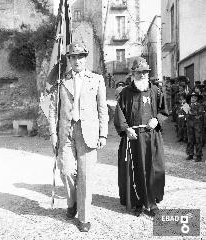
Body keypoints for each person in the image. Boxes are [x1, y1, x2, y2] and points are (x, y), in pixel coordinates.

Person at [48, 41, 108, 232]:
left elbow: (102, 109)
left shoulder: (96, 79)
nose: (77, 60)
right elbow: (52, 110)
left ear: (85, 58)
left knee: (85, 176)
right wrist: (53, 133)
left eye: (80, 57)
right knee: (65, 170)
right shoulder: (61, 80)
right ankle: (72, 201)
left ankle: (84, 217)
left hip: (88, 133)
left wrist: (103, 134)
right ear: (69, 60)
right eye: (73, 57)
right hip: (65, 132)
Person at [114, 57, 166, 217]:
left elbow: (164, 111)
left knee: (154, 168)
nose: (142, 75)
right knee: (134, 169)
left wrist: (156, 119)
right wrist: (126, 129)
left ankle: (151, 202)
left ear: (148, 73)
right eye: (139, 72)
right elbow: (119, 114)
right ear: (133, 73)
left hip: (152, 137)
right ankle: (136, 202)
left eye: (145, 72)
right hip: (133, 138)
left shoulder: (156, 91)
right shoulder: (125, 93)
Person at [186, 92, 205, 162]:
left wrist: (190, 112)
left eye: (194, 98)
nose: (192, 99)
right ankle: (190, 154)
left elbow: (200, 113)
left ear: (197, 99)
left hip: (197, 125)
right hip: (189, 124)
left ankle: (199, 155)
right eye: (192, 97)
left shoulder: (200, 105)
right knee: (190, 139)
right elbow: (182, 113)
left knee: (198, 140)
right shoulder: (188, 105)